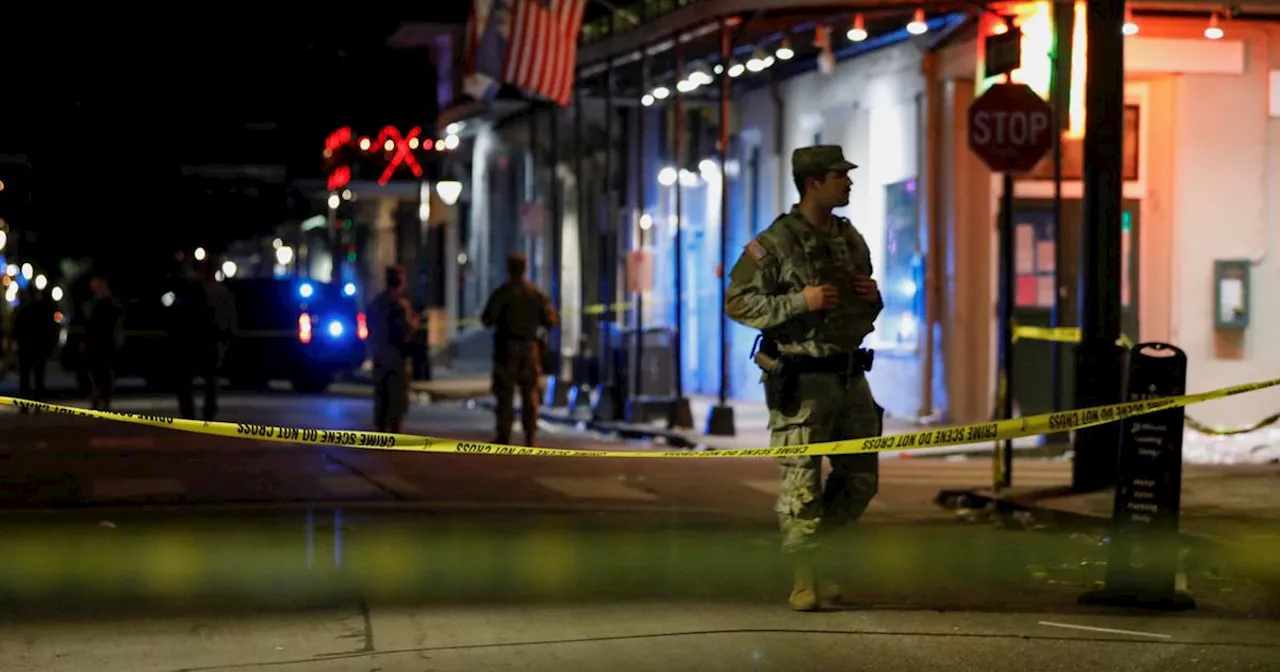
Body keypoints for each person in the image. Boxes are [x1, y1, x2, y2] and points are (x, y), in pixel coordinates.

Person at [724, 145, 885, 612]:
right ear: (814, 182)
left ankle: (821, 553)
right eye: (841, 176)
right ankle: (804, 575)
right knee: (802, 481)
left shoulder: (850, 238)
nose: (849, 183)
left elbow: (863, 304)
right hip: (801, 377)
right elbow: (737, 301)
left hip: (850, 374)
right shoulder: (771, 243)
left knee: (860, 479)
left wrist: (873, 297)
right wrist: (800, 302)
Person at [481, 253, 556, 447]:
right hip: (530, 349)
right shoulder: (536, 294)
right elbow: (551, 320)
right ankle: (530, 437)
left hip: (507, 348)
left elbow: (487, 319)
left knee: (505, 394)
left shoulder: (502, 293)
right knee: (530, 394)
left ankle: (504, 436)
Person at [174, 259, 236, 421]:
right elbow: (230, 318)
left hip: (194, 339)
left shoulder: (192, 290)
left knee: (186, 380)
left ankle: (189, 413)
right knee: (211, 380)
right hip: (213, 339)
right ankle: (208, 413)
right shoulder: (221, 291)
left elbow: (181, 316)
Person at [367, 265, 419, 433]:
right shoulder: (399, 305)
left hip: (380, 353)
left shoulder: (377, 302)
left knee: (381, 393)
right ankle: (394, 429)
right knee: (397, 394)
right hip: (396, 355)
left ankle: (381, 427)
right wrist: (414, 324)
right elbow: (405, 331)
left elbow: (369, 326)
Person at [81, 276, 124, 411]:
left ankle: (104, 398)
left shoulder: (110, 302)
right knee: (94, 372)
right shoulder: (91, 303)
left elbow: (117, 320)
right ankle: (97, 396)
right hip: (94, 343)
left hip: (106, 342)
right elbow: (87, 324)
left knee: (105, 372)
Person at [13, 286, 57, 404]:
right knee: (38, 376)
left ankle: (25, 403)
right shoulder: (42, 310)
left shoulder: (22, 309)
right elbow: (49, 328)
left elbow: (16, 329)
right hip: (37, 346)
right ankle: (37, 401)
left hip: (27, 347)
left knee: (25, 377)